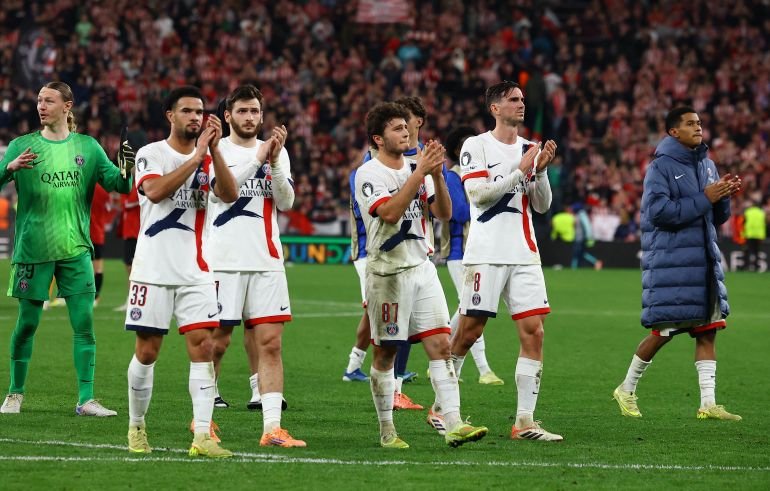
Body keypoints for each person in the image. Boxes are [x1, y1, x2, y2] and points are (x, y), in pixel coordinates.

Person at [355, 101, 487, 449]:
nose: (407, 133)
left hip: (421, 267)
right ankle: (387, 431)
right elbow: (389, 214)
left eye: (406, 127)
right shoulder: (369, 174)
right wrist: (419, 173)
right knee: (385, 354)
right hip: (387, 273)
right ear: (378, 139)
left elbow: (443, 213)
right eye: (398, 129)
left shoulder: (420, 167)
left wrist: (438, 176)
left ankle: (453, 422)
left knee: (441, 346)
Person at [0, 81, 132, 416]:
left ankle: (86, 399)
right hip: (34, 248)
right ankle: (14, 394)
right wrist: (8, 169)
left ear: (67, 106)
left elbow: (119, 184)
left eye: (48, 100)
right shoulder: (21, 145)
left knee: (84, 322)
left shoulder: (87, 148)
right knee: (28, 323)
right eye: (39, 100)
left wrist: (128, 166)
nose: (41, 106)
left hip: (76, 249)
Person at [124, 86, 239, 457]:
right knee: (147, 351)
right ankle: (137, 427)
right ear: (169, 115)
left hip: (196, 270)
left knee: (204, 347)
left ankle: (202, 436)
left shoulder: (210, 157)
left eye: (200, 112)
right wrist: (197, 157)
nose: (195, 117)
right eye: (187, 111)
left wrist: (216, 151)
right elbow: (155, 192)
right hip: (153, 269)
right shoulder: (151, 153)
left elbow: (231, 194)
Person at [612, 106, 742, 421]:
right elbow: (659, 213)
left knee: (708, 331)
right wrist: (706, 197)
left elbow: (715, 216)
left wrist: (723, 197)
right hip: (674, 264)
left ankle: (708, 404)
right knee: (663, 332)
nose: (698, 127)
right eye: (690, 123)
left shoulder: (708, 165)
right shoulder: (661, 167)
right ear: (673, 132)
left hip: (704, 261)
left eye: (699, 122)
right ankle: (626, 389)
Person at [450, 81, 563, 441]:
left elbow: (542, 205)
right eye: (513, 99)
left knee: (535, 332)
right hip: (486, 254)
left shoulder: (531, 148)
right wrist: (519, 170)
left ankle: (524, 422)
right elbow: (478, 195)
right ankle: (443, 407)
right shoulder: (476, 145)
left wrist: (540, 170)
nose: (521, 104)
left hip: (525, 254)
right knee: (469, 332)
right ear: (494, 108)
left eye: (522, 99)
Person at [206, 85, 304, 447]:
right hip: (222, 261)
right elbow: (221, 192)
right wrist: (261, 157)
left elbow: (286, 202)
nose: (249, 117)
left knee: (271, 344)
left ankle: (272, 428)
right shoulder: (215, 149)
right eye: (242, 111)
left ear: (262, 116)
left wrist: (275, 160)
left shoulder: (277, 153)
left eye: (255, 112)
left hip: (267, 261)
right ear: (229, 115)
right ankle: (204, 422)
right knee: (215, 344)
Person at [438, 125, 503, 386]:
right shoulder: (453, 178)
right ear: (458, 150)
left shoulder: (481, 176)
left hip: (477, 249)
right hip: (457, 251)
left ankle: (441, 358)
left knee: (467, 308)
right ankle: (484, 369)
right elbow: (460, 213)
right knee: (473, 307)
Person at [113, 182, 140, 312]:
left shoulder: (138, 185)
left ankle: (132, 300)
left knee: (133, 269)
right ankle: (130, 299)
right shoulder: (131, 184)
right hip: (129, 233)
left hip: (136, 233)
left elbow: (128, 203)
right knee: (129, 268)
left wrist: (123, 198)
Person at [89, 183, 118, 307]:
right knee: (97, 267)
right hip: (98, 232)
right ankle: (95, 297)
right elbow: (111, 207)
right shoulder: (105, 190)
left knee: (86, 267)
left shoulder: (87, 185)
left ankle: (89, 296)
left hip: (85, 232)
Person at [742, 200, 766, 272]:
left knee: (748, 250)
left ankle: (746, 266)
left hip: (749, 234)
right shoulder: (761, 213)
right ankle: (756, 266)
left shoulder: (748, 212)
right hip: (759, 235)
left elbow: (744, 222)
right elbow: (764, 223)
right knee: (756, 251)